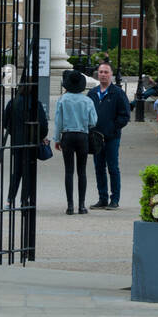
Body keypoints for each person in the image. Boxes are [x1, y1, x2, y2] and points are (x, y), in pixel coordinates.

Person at [53, 69, 97, 215]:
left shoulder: (63, 100)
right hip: (82, 136)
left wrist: (57, 139)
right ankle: (82, 205)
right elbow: (93, 121)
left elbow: (58, 122)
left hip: (68, 135)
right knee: (82, 171)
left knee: (69, 171)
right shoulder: (87, 101)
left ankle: (70, 206)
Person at [88, 62, 130, 209]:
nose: (103, 75)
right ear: (97, 74)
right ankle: (102, 198)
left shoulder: (118, 93)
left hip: (112, 138)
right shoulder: (92, 93)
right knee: (99, 168)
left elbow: (125, 116)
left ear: (111, 74)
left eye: (106, 72)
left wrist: (112, 129)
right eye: (101, 72)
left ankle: (115, 199)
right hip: (96, 138)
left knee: (112, 168)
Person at [1, 82, 47, 209]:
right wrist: (41, 137)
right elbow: (42, 124)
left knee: (16, 171)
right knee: (29, 171)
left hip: (17, 141)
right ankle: (24, 200)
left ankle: (10, 200)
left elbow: (5, 123)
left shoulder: (13, 102)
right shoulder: (35, 103)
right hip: (31, 141)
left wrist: (14, 132)